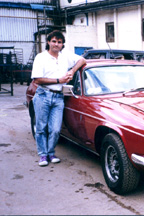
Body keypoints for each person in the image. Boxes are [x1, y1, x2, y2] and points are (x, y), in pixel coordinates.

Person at [31, 30, 86, 166]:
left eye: (59, 42)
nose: (56, 44)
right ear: (48, 42)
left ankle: (51, 152)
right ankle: (43, 155)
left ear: (62, 45)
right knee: (41, 128)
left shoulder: (65, 56)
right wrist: (59, 80)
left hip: (58, 97)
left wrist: (72, 71)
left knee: (56, 129)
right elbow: (37, 80)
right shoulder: (40, 57)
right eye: (54, 41)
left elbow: (82, 59)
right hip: (43, 95)